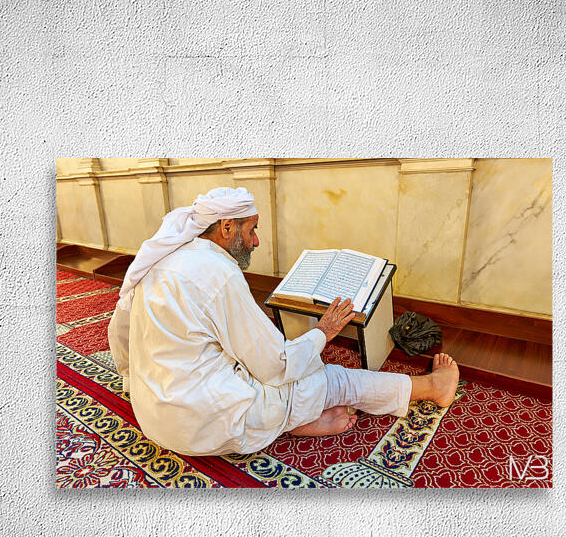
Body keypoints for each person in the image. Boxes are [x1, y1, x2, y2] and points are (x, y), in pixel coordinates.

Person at [107, 186, 460, 456]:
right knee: (328, 377)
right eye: (252, 229)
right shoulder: (218, 273)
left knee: (265, 364)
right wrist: (323, 332)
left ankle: (295, 421)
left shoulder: (162, 257)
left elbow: (119, 333)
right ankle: (432, 388)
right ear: (227, 227)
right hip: (204, 424)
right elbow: (275, 366)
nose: (256, 240)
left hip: (154, 414)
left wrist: (129, 379)